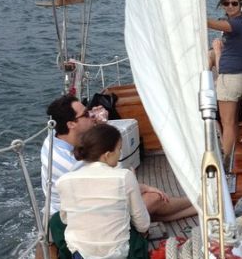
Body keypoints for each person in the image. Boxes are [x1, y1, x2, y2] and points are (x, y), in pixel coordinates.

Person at [40, 94, 195, 221]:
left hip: (83, 204)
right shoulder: (72, 164)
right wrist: (145, 187)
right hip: (79, 216)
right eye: (86, 114)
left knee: (148, 205)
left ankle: (195, 206)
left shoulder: (53, 138)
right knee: (154, 198)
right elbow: (118, 177)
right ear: (71, 124)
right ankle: (195, 201)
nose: (92, 114)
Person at [56, 123, 151, 259]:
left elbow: (64, 220)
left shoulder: (64, 181)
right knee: (136, 229)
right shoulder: (124, 176)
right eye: (119, 149)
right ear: (107, 155)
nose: (120, 153)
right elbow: (143, 225)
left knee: (55, 221)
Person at [207, 0, 242, 163]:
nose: (230, 6)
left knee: (227, 124)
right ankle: (230, 157)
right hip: (235, 76)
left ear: (240, 4)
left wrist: (196, 17)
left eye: (234, 3)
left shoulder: (237, 24)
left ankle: (225, 162)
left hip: (229, 78)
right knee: (231, 123)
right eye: (227, 3)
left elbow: (217, 25)